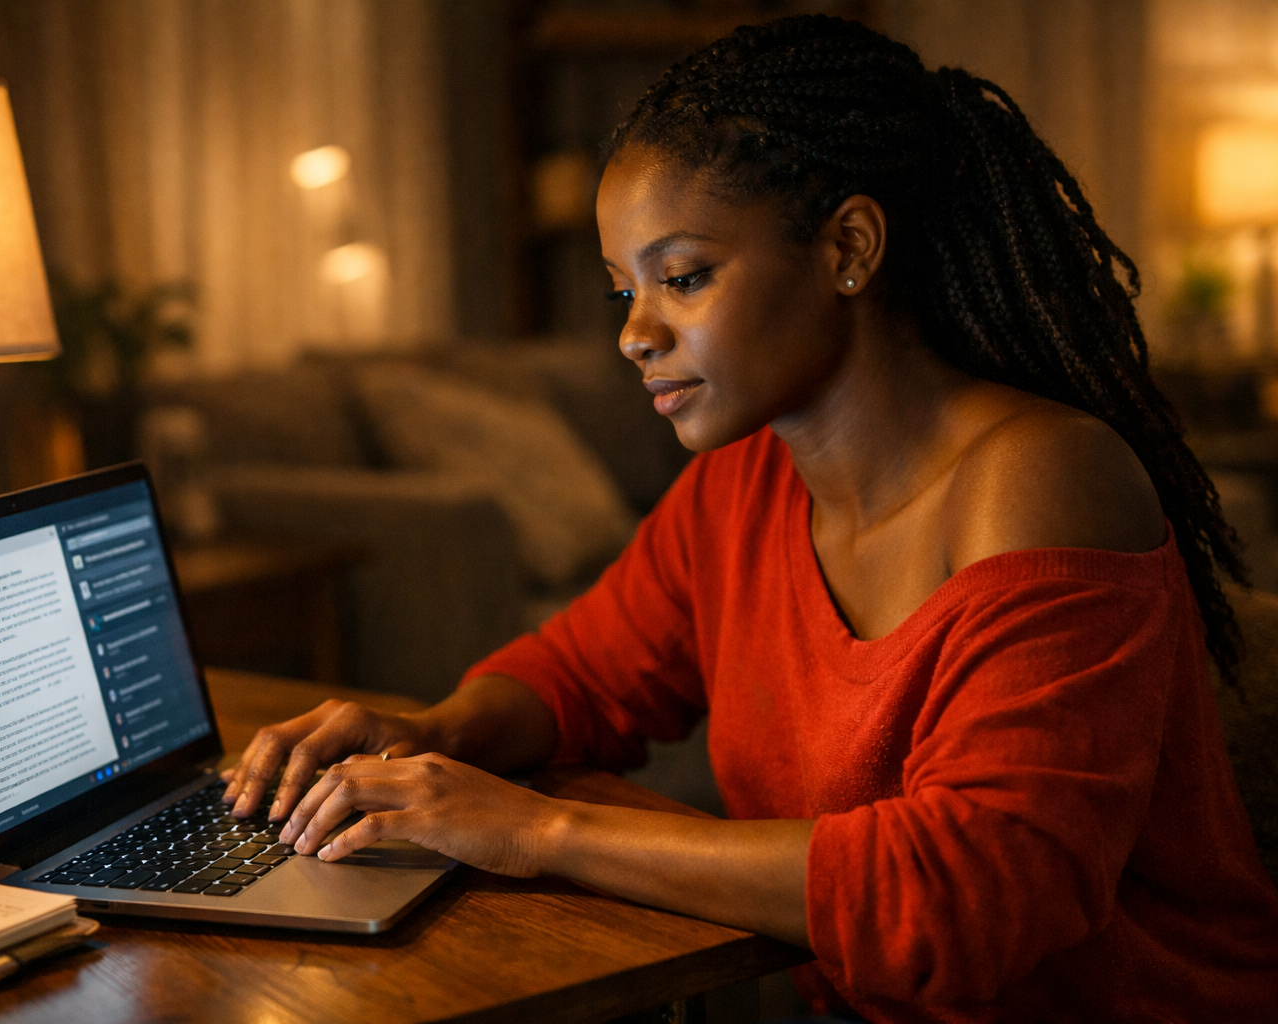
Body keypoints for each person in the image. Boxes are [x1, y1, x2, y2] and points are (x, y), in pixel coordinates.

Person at [221, 15, 1278, 1021]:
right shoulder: (747, 482)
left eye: (682, 276)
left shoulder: (1042, 479)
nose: (636, 334)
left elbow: (974, 896)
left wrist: (538, 827)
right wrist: (435, 733)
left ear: (849, 247)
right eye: (620, 291)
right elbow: (586, 674)